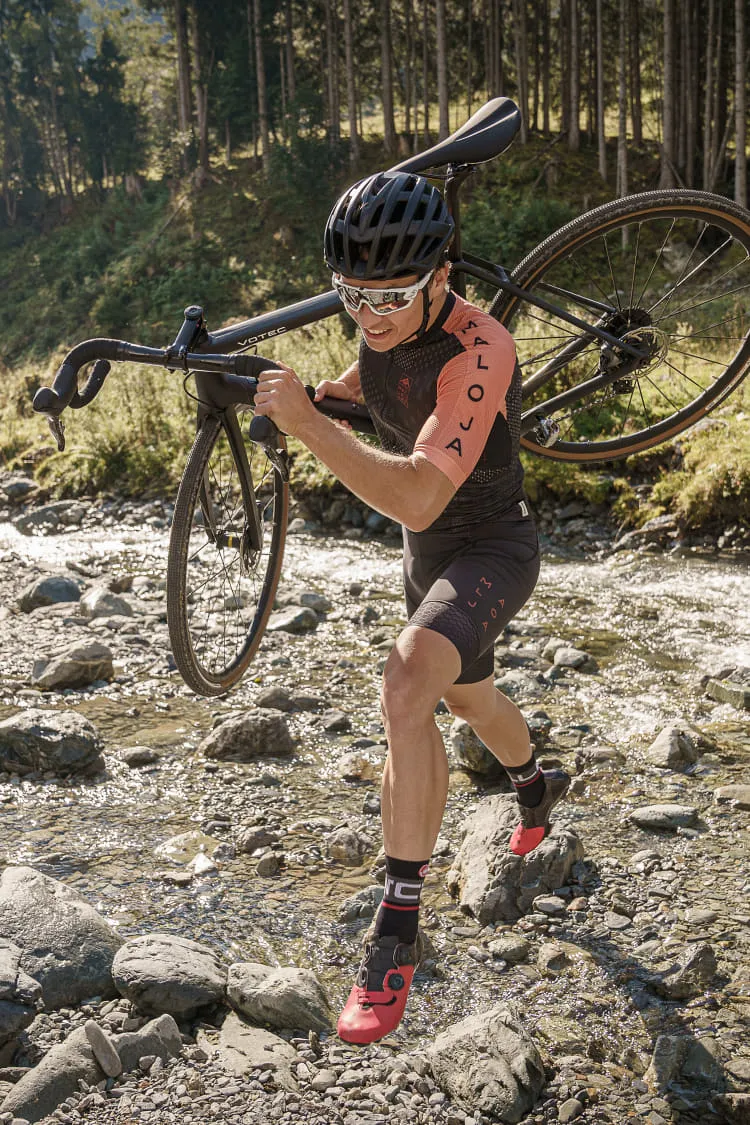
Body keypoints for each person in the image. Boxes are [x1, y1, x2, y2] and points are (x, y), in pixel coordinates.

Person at [253, 171, 570, 1046]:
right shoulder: (380, 328)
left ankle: (396, 927)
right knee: (467, 699)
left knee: (404, 685)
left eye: (392, 294)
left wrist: (312, 429)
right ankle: (537, 780)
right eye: (351, 293)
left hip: (494, 547)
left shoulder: (481, 349)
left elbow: (423, 494)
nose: (372, 313)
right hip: (429, 561)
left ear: (441, 273)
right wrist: (304, 401)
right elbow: (368, 390)